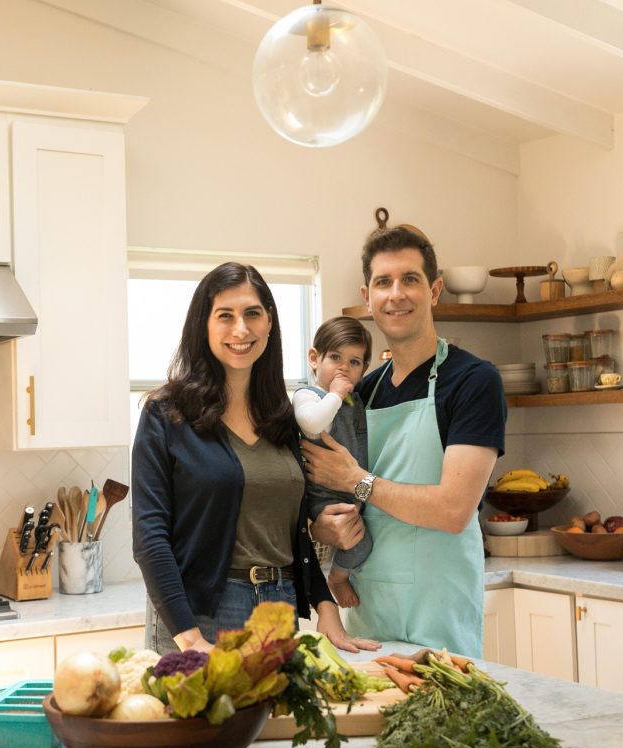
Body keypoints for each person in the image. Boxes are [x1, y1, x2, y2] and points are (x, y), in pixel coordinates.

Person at [132, 262, 378, 656]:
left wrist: (325, 605)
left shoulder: (281, 417)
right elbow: (150, 538)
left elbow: (289, 532)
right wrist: (190, 638)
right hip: (200, 617)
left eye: (252, 314)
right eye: (224, 316)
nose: (241, 329)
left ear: (269, 322)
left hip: (278, 609)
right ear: (203, 325)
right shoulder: (166, 414)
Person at [302, 223, 507, 656]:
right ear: (367, 297)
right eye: (383, 282)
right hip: (368, 612)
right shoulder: (363, 391)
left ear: (434, 291)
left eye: (409, 279)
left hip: (439, 610)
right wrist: (323, 526)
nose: (396, 294)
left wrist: (357, 480)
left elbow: (453, 510)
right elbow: (325, 488)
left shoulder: (474, 381)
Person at [293, 316, 373, 609]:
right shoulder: (308, 396)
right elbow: (312, 424)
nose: (344, 367)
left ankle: (339, 575)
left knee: (364, 542)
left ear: (364, 370)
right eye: (336, 357)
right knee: (359, 543)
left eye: (354, 362)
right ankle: (337, 578)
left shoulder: (357, 401)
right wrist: (336, 394)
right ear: (314, 358)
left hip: (356, 492)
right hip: (324, 497)